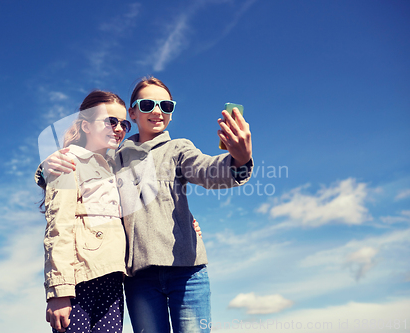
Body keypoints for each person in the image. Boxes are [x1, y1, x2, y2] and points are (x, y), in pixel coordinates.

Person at [39, 77, 253, 333]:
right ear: (133, 112)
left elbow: (207, 171)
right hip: (138, 278)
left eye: (166, 106)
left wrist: (239, 159)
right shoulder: (113, 157)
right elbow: (79, 170)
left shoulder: (179, 148)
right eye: (148, 103)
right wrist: (44, 169)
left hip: (186, 271)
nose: (157, 111)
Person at [41, 90, 131, 333]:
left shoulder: (117, 168)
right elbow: (58, 227)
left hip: (113, 279)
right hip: (79, 281)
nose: (119, 128)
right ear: (86, 126)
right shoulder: (68, 162)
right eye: (111, 121)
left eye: (124, 123)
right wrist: (59, 291)